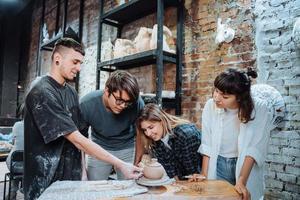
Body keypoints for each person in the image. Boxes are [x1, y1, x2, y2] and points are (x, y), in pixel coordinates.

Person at [23, 38, 142, 200]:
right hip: (45, 176)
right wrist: (120, 164)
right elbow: (77, 139)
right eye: (75, 62)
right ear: (57, 59)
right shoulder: (42, 92)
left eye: (80, 63)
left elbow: (81, 138)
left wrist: (83, 173)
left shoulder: (71, 93)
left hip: (69, 175)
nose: (79, 68)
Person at [194, 67, 285, 200]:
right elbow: (207, 143)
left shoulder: (259, 108)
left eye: (225, 96)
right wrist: (204, 173)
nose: (216, 98)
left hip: (243, 166)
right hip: (218, 163)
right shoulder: (210, 106)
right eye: (216, 91)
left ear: (240, 98)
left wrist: (241, 181)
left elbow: (254, 149)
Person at [80, 70, 144, 180]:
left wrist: (137, 162)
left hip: (126, 146)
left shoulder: (137, 103)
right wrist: (82, 172)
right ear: (107, 91)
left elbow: (140, 134)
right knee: (94, 188)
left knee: (128, 187)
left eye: (127, 103)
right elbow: (80, 140)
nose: (123, 106)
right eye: (119, 100)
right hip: (99, 149)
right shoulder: (87, 104)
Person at [135, 103, 202, 180]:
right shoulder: (156, 141)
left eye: (151, 127)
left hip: (204, 178)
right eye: (144, 130)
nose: (148, 133)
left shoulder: (185, 134)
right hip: (183, 182)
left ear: (162, 121)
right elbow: (172, 174)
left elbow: (194, 174)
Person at [5, 104, 24, 200]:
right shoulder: (37, 127)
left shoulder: (17, 125)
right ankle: (24, 188)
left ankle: (13, 191)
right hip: (29, 165)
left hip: (13, 163)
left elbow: (13, 141)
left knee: (16, 169)